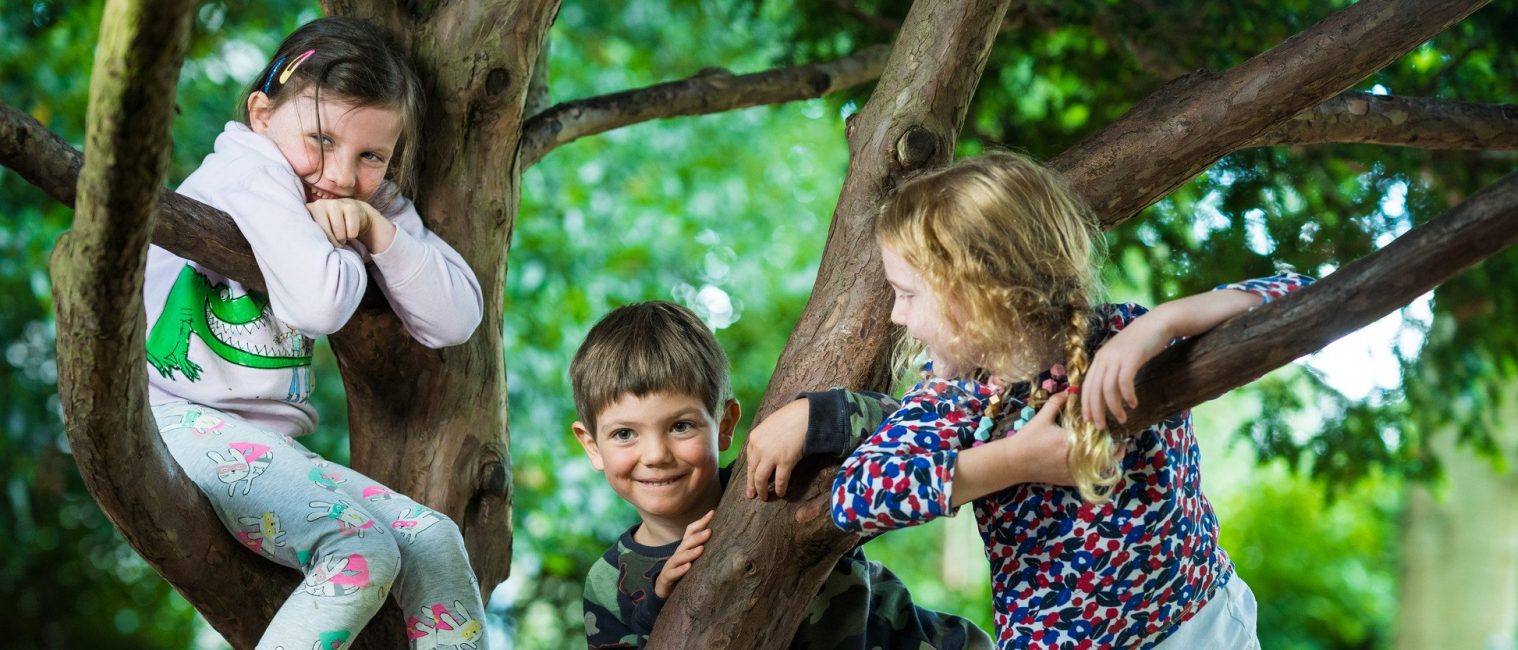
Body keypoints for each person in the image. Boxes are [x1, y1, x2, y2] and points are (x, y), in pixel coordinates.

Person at [829, 152, 1312, 649]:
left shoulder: (1124, 335)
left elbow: (1303, 298)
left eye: (906, 293)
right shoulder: (955, 398)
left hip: (1202, 622)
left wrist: (1162, 323)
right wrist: (1015, 461)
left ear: (976, 289)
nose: (895, 314)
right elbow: (854, 498)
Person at [144, 17, 487, 650]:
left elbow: (457, 316)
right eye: (320, 139)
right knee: (360, 551)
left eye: (371, 157)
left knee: (434, 540)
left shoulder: (361, 198)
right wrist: (356, 244)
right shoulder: (249, 169)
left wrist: (376, 225)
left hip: (269, 447)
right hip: (178, 420)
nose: (336, 173)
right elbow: (320, 305)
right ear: (262, 113)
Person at [570, 301, 992, 649]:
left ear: (725, 425)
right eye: (625, 434)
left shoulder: (774, 480)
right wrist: (659, 603)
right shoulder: (608, 584)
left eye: (681, 426)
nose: (656, 455)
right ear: (592, 446)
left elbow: (914, 429)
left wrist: (814, 417)